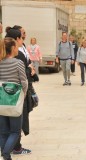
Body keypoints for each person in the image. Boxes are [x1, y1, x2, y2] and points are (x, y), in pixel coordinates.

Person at [0, 37, 28, 160]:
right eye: (16, 46)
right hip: (14, 100)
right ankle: (6, 154)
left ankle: (5, 154)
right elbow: (24, 82)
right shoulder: (18, 63)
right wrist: (23, 95)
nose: (18, 48)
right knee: (15, 132)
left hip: (1, 100)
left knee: (4, 131)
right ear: (12, 48)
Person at [10, 25, 34, 155]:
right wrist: (30, 70)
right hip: (17, 92)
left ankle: (9, 148)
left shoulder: (14, 51)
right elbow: (22, 76)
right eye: (21, 35)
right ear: (17, 38)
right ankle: (15, 148)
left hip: (7, 92)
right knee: (16, 120)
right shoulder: (17, 54)